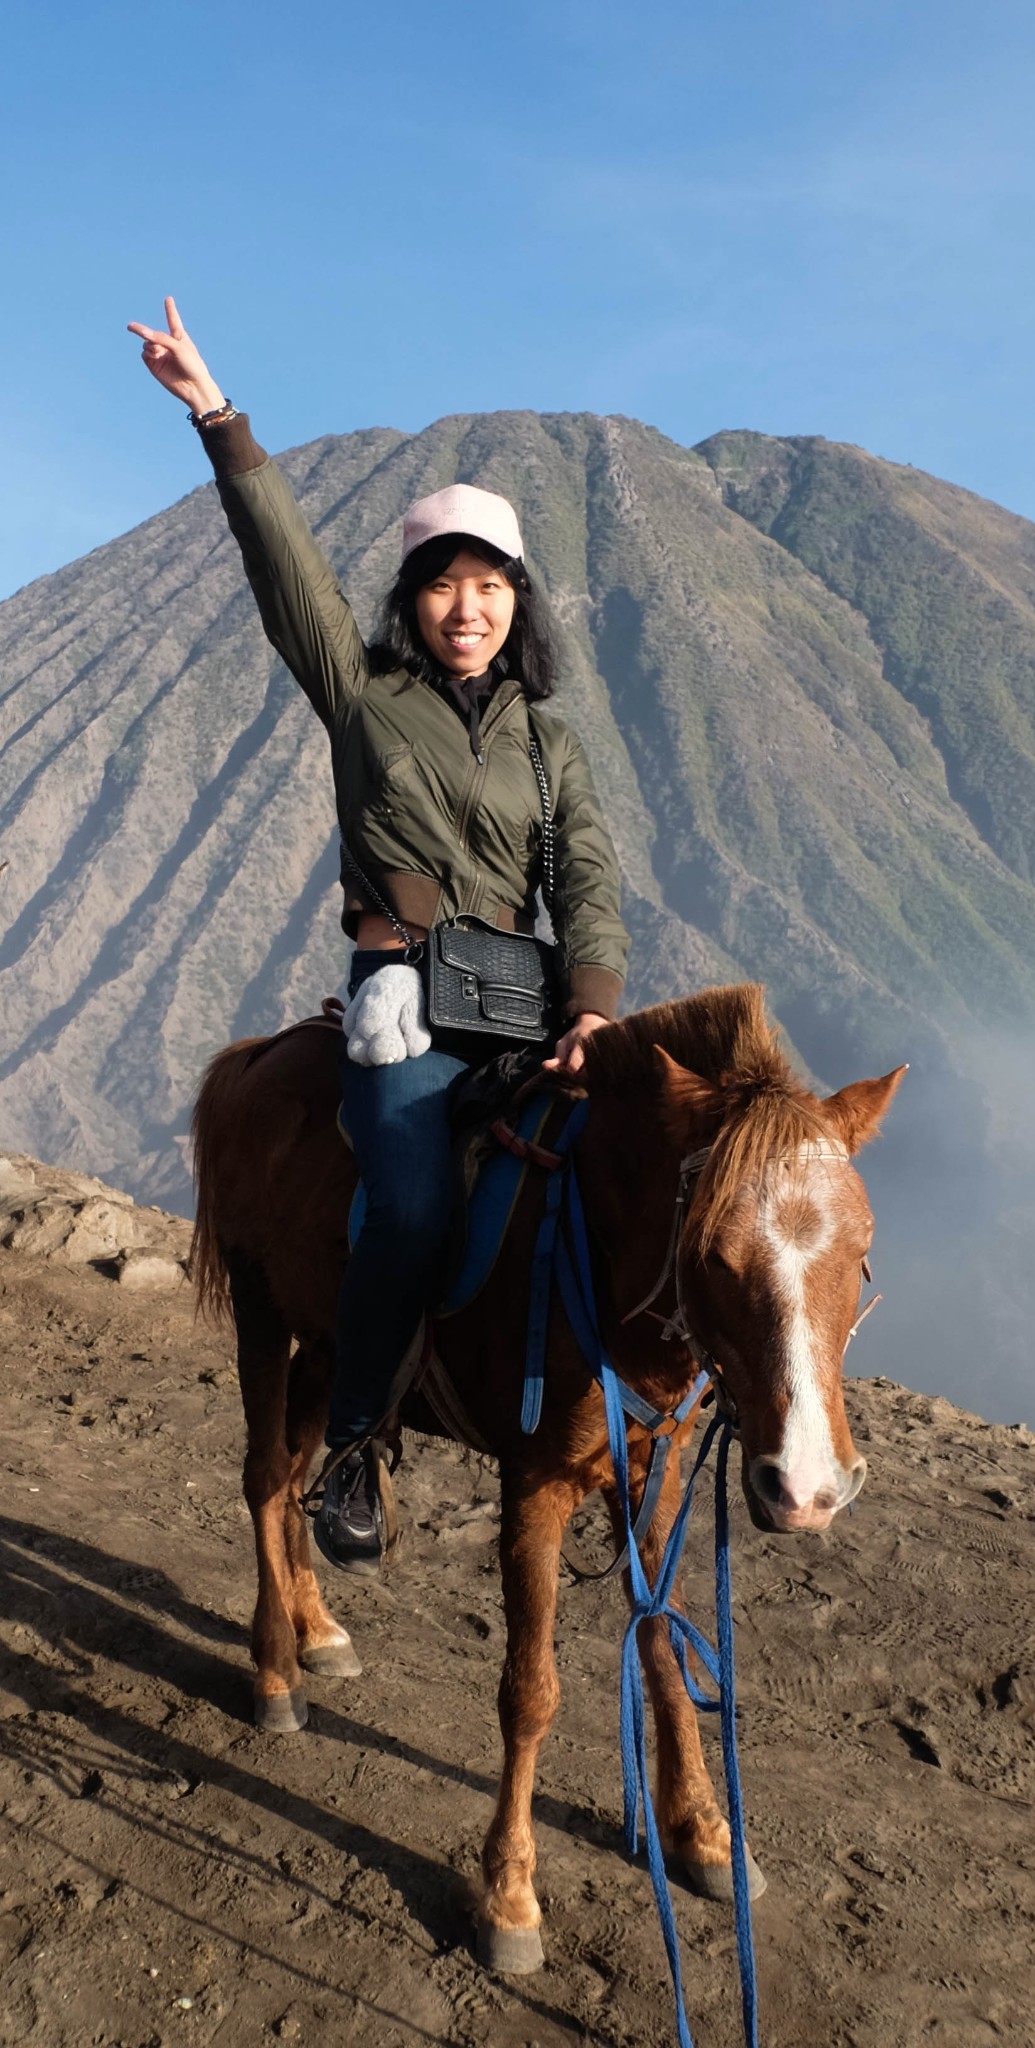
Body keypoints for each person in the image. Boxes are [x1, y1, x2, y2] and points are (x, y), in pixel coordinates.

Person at [129, 297, 631, 1574]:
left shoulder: (550, 738)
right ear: (412, 600)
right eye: (443, 586)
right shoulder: (364, 697)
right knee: (405, 1202)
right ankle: (353, 1441)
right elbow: (288, 573)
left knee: (617, 1188)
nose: (467, 608)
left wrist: (594, 1005)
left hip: (521, 1008)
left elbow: (584, 868)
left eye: (489, 587)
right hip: (404, 992)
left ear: (518, 602)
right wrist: (218, 417)